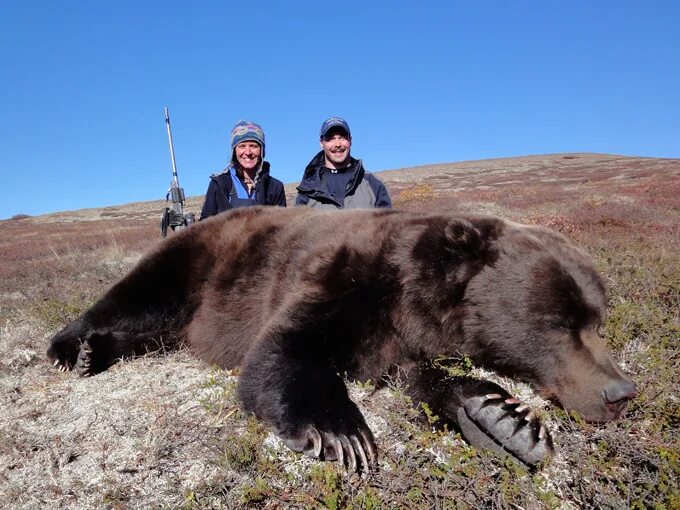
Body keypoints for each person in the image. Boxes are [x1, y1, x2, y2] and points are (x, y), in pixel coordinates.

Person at [295, 117, 391, 209]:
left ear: (350, 140)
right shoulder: (307, 189)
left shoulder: (373, 183)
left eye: (342, 138)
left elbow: (388, 223)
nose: (337, 144)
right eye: (330, 138)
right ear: (321, 143)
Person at [199, 120, 286, 220]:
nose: (248, 152)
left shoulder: (275, 187)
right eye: (242, 146)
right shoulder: (219, 184)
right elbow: (205, 225)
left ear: (262, 150)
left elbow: (282, 227)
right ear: (234, 151)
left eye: (253, 146)